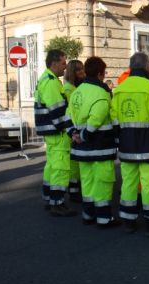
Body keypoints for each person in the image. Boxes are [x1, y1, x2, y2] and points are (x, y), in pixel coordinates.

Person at [111, 52, 149, 236]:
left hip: (126, 144)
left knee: (128, 183)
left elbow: (114, 119)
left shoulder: (119, 89)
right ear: (147, 67)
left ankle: (128, 221)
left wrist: (120, 138)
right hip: (148, 144)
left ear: (131, 67)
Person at [68, 57, 120, 227]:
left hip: (81, 148)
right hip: (100, 146)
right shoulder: (101, 92)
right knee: (103, 182)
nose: (105, 76)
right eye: (104, 73)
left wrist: (74, 133)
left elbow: (68, 115)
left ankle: (88, 214)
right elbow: (97, 118)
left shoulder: (77, 91)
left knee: (88, 181)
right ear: (100, 73)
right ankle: (104, 218)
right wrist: (83, 135)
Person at [34, 49, 76, 217]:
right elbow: (58, 111)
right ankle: (57, 203)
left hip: (50, 131)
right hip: (56, 132)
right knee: (60, 167)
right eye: (63, 63)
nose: (65, 67)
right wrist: (69, 130)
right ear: (54, 63)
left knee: (51, 166)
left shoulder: (46, 79)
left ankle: (49, 198)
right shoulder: (51, 82)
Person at [63, 59, 85, 203]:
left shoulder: (75, 88)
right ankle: (74, 192)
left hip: (74, 130)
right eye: (78, 70)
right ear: (72, 73)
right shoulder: (70, 90)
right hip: (71, 131)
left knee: (76, 164)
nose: (82, 72)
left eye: (82, 69)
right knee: (73, 165)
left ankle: (75, 191)